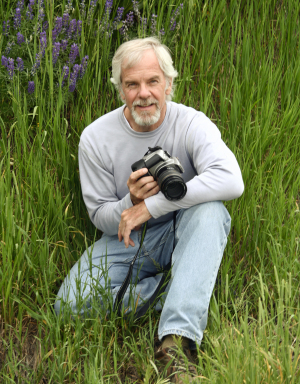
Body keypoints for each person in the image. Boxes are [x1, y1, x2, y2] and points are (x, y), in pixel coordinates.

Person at [54, 37, 244, 383]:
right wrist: (131, 202)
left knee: (211, 210)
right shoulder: (96, 138)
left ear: (168, 84)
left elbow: (232, 181)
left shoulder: (191, 123)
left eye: (152, 81)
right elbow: (101, 217)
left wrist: (153, 205)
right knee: (68, 307)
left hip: (185, 228)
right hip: (129, 240)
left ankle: (176, 341)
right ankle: (177, 288)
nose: (144, 93)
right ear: (120, 89)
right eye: (132, 84)